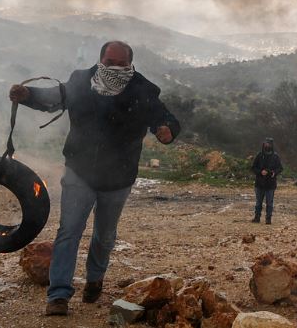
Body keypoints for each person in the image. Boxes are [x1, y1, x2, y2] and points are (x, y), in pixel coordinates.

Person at [9, 40, 180, 317]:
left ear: (130, 64)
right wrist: (27, 94)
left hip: (119, 177)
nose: (116, 68)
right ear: (101, 60)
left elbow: (165, 118)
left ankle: (94, 280)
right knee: (69, 231)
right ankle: (59, 295)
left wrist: (167, 130)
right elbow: (54, 97)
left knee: (105, 235)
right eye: (110, 62)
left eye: (122, 64)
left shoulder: (143, 90)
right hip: (80, 171)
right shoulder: (81, 81)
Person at [251, 138, 283, 224]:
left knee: (269, 203)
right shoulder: (259, 155)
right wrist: (260, 172)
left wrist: (274, 172)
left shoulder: (275, 156)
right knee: (258, 202)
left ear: (271, 145)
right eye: (265, 144)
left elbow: (280, 168)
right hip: (259, 183)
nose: (266, 145)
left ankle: (268, 219)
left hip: (270, 184)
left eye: (268, 144)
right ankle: (257, 217)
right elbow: (253, 167)